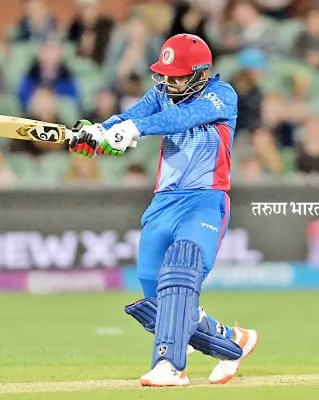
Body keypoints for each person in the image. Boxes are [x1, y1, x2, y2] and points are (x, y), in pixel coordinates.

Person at [68, 34, 258, 386]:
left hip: (204, 199)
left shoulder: (222, 95)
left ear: (200, 74)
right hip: (163, 203)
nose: (169, 83)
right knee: (156, 301)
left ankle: (170, 365)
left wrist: (133, 129)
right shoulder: (160, 94)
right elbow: (131, 117)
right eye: (166, 75)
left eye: (177, 77)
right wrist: (97, 133)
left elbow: (181, 119)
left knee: (181, 271)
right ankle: (233, 343)